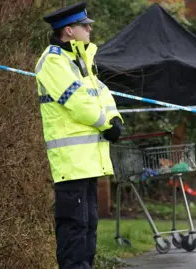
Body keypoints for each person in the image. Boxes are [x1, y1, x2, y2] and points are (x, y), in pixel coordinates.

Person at [34, 2, 124, 268]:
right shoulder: (52, 61)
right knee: (73, 229)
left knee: (88, 227)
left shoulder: (83, 60)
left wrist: (115, 118)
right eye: (85, 26)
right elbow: (76, 101)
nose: (89, 29)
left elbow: (102, 93)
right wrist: (105, 125)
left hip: (88, 161)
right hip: (71, 163)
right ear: (69, 31)